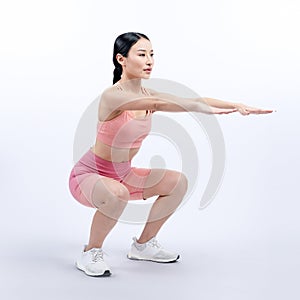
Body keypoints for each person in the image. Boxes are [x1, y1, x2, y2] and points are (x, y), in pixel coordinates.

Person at [68, 32, 273, 277]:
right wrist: (199, 108)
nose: (149, 61)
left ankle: (143, 245)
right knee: (118, 193)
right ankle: (90, 252)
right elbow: (165, 103)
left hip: (124, 174)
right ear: (121, 59)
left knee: (177, 182)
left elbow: (191, 100)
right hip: (89, 176)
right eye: (141, 54)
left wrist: (235, 105)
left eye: (152, 54)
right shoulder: (112, 96)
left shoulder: (147, 96)